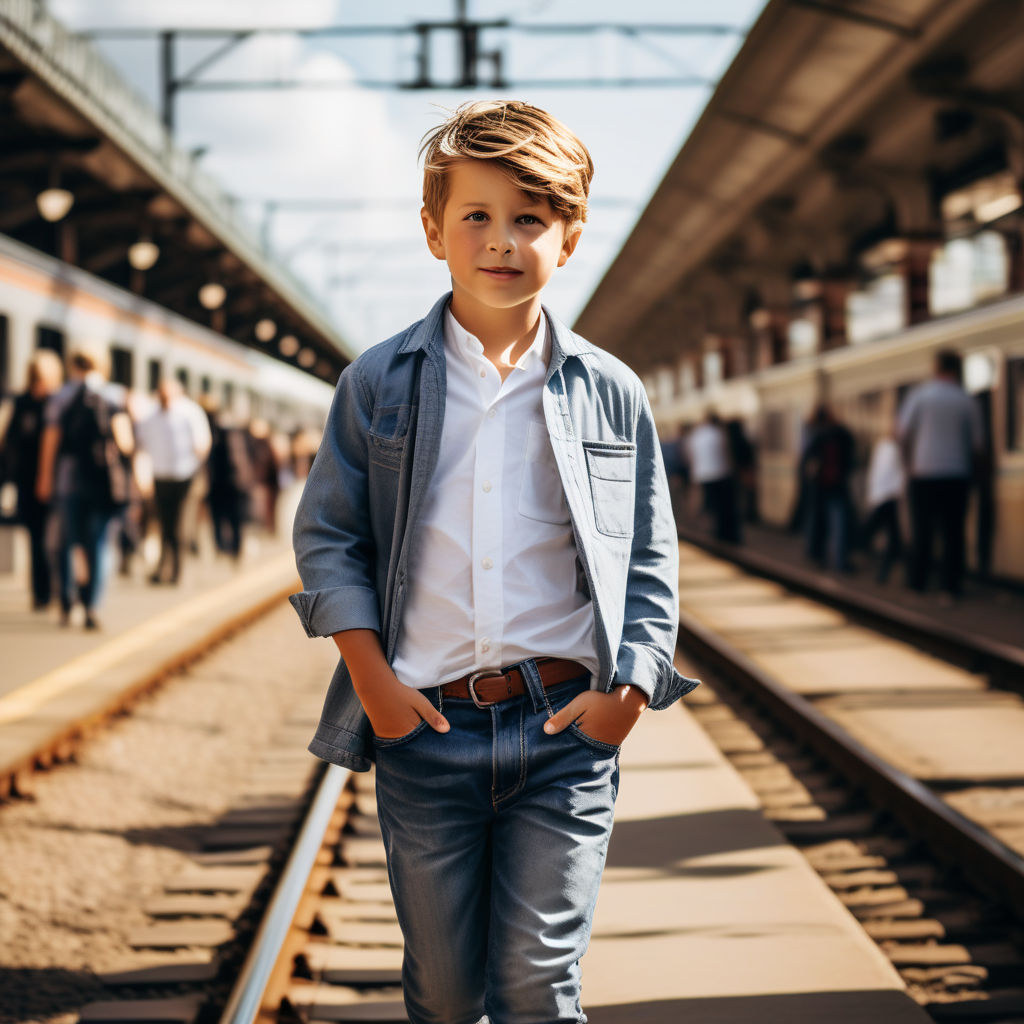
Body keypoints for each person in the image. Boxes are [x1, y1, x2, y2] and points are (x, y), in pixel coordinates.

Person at [289, 100, 697, 1024]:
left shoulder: (612, 392)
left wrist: (626, 696)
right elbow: (329, 537)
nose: (502, 240)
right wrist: (377, 688)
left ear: (571, 235)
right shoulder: (377, 381)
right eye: (475, 215)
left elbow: (650, 556)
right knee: (443, 994)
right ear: (433, 230)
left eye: (530, 219)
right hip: (427, 733)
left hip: (565, 734)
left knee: (538, 988)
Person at [36, 344, 133, 629]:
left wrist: (44, 478)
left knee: (68, 542)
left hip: (69, 480)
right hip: (103, 484)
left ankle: (66, 604)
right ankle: (91, 606)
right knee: (98, 543)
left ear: (71, 365)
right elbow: (125, 443)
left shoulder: (61, 396)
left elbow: (51, 441)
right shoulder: (114, 395)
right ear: (102, 365)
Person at [899, 349, 983, 598]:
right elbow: (978, 445)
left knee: (922, 530)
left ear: (936, 368)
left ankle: (918, 584)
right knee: (953, 533)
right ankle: (950, 586)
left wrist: (908, 466)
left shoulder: (919, 396)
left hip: (923, 473)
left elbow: (902, 434)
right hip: (957, 474)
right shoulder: (966, 399)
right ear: (957, 369)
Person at [0, 350, 64, 609]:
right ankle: (41, 593)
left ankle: (60, 588)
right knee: (36, 539)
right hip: (27, 482)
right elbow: (10, 444)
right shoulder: (22, 403)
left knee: (56, 540)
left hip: (56, 482)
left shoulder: (58, 402)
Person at [135, 378, 212, 584]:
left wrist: (195, 468)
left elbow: (202, 444)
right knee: (164, 524)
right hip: (160, 476)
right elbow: (141, 446)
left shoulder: (190, 412)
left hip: (185, 475)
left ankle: (177, 569)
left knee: (179, 524)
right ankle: (163, 567)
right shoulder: (150, 415)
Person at [803, 404, 856, 572]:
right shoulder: (842, 433)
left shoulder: (817, 436)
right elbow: (851, 457)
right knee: (839, 525)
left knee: (820, 524)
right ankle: (840, 562)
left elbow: (807, 461)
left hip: (821, 487)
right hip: (838, 486)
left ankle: (819, 559)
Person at [687, 410, 741, 542]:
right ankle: (726, 535)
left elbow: (690, 457)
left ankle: (712, 534)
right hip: (722, 474)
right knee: (724, 507)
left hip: (702, 475)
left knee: (709, 507)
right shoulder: (719, 433)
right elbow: (727, 452)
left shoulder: (696, 436)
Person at [861, 425, 904, 583]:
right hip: (889, 497)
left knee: (891, 537)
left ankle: (883, 573)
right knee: (892, 537)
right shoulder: (894, 449)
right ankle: (883, 572)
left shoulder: (882, 447)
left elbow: (876, 473)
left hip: (881, 497)